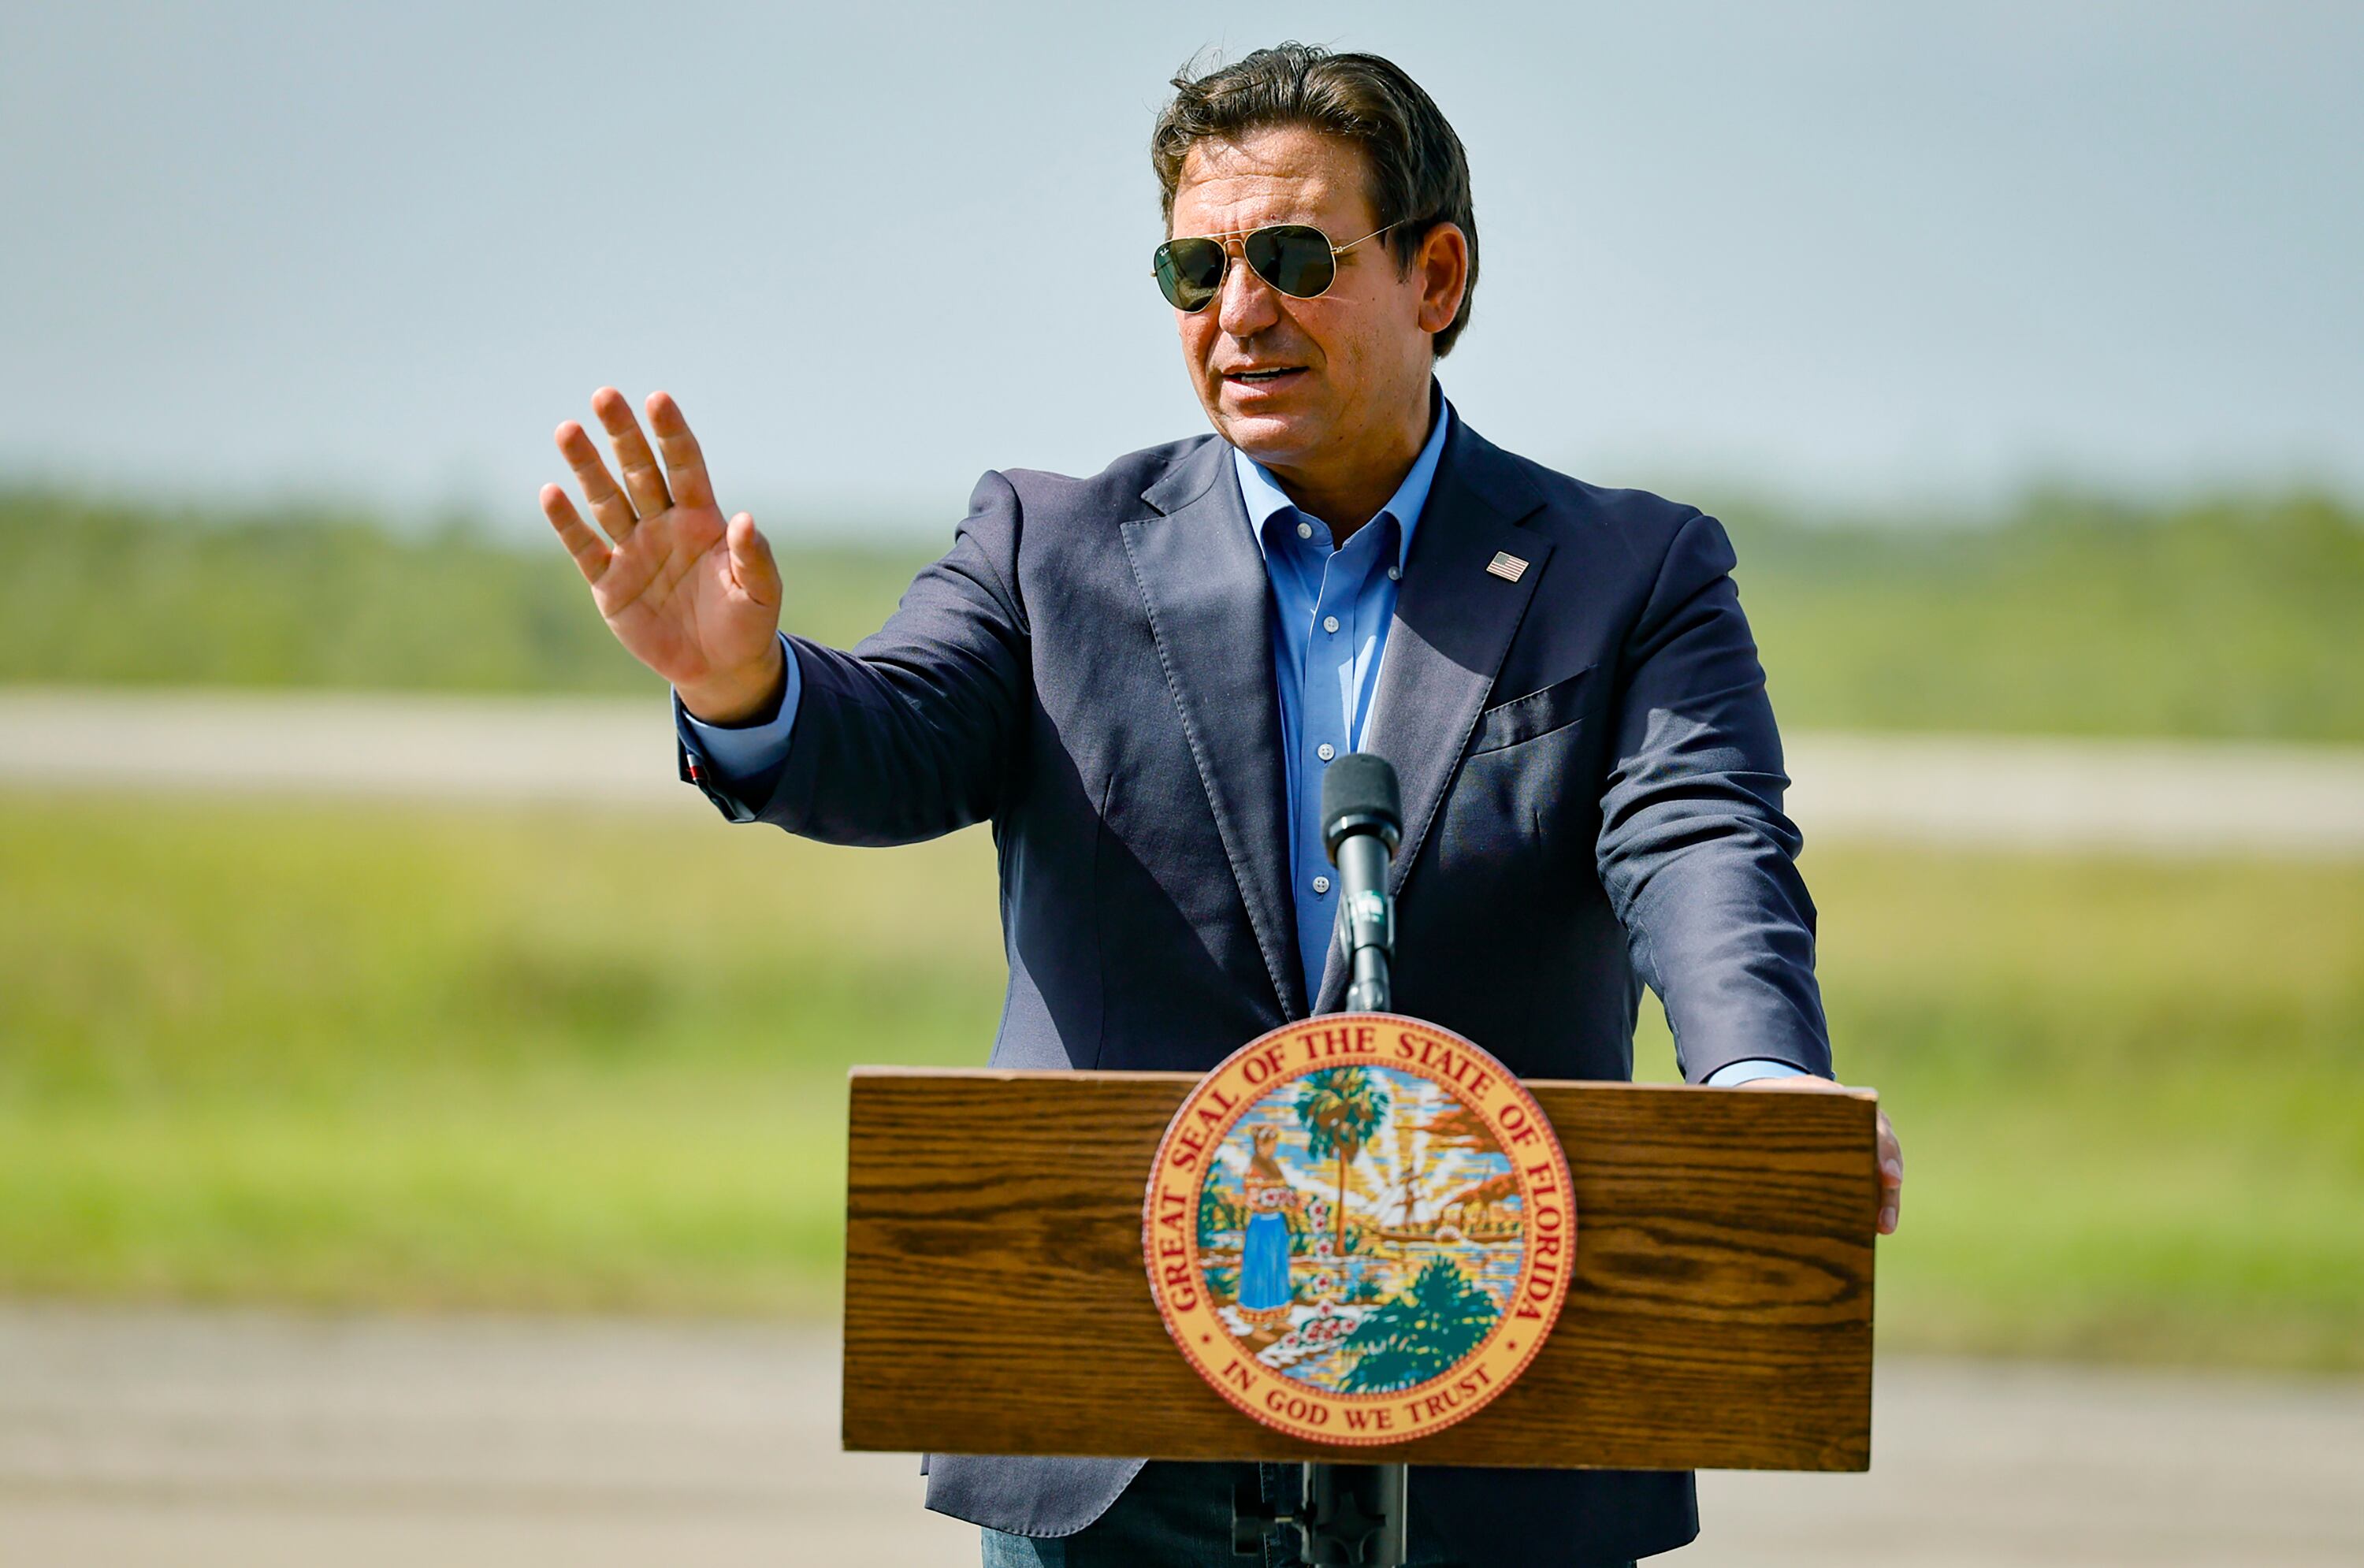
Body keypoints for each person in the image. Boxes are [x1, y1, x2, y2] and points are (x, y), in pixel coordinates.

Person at [539, 41, 1904, 1568]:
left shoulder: (1627, 570)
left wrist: (1761, 1082)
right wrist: (745, 688)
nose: (1237, 312)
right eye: (1196, 267)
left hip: (1493, 1406)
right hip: (1113, 1429)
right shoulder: (1048, 543)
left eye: (1294, 258)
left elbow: (1700, 835)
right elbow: (895, 735)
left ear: (1436, 275)